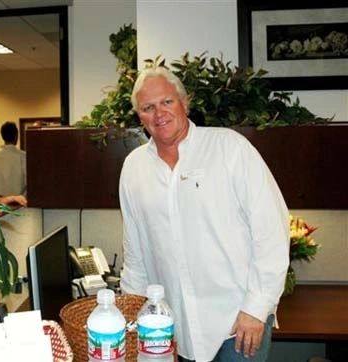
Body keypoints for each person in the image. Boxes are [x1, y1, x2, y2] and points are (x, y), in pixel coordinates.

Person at [119, 67, 289, 362]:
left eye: (167, 102)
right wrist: (133, 316)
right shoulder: (134, 168)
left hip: (237, 324)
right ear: (140, 117)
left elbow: (271, 230)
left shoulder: (230, 148)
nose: (159, 113)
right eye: (148, 107)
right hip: (173, 330)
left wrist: (256, 308)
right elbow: (135, 252)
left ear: (184, 102)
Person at [0, 121, 27, 196]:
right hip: (18, 204)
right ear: (16, 136)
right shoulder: (23, 157)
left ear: (2, 136)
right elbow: (29, 183)